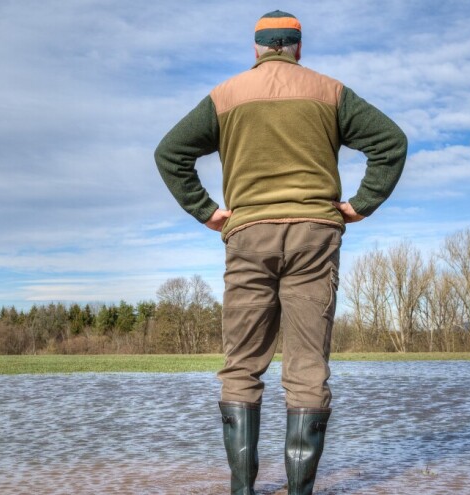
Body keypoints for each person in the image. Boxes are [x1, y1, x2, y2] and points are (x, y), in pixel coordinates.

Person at [154, 9, 407, 495]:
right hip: (316, 235)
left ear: (256, 49)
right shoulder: (330, 91)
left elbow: (170, 153)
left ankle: (243, 492)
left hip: (248, 236)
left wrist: (206, 211)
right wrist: (360, 205)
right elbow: (390, 143)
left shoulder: (225, 96)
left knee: (243, 364)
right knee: (308, 367)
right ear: (297, 47)